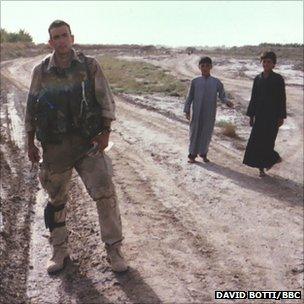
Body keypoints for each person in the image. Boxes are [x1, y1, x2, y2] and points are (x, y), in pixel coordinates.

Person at [25, 20, 128, 274]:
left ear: (72, 38)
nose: (60, 40)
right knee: (56, 200)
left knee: (105, 192)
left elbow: (106, 99)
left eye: (64, 35)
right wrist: (29, 141)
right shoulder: (41, 71)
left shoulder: (89, 65)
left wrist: (106, 132)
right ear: (50, 42)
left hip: (87, 143)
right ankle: (59, 251)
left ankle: (114, 250)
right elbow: (32, 106)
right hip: (56, 148)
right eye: (55, 37)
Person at [243, 51, 286, 177]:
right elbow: (254, 98)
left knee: (268, 142)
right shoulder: (258, 79)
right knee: (256, 142)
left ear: (274, 64)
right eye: (264, 61)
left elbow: (282, 99)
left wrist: (281, 117)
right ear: (261, 63)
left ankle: (273, 158)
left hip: (272, 117)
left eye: (269, 62)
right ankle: (261, 168)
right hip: (260, 116)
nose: (266, 64)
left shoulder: (278, 79)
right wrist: (251, 116)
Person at [183, 56, 234, 163]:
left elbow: (222, 95)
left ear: (211, 67)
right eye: (202, 66)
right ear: (199, 67)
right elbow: (190, 97)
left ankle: (203, 153)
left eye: (207, 66)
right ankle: (192, 155)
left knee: (206, 133)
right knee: (194, 132)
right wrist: (187, 110)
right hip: (196, 112)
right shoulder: (195, 81)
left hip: (209, 112)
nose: (205, 68)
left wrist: (227, 101)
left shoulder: (216, 82)